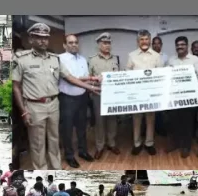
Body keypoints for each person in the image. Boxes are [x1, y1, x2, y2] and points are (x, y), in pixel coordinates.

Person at [12, 23, 100, 170]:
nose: (42, 41)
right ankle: (42, 172)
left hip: (53, 104)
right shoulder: (21, 59)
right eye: (38, 37)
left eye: (45, 38)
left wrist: (90, 86)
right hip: (34, 106)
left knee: (54, 139)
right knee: (38, 144)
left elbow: (70, 78)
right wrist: (24, 111)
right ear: (31, 39)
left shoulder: (55, 59)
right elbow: (16, 86)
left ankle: (57, 169)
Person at [59, 33, 97, 168]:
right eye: (70, 42)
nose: (74, 44)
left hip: (82, 98)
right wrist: (92, 82)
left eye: (76, 42)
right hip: (67, 99)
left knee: (82, 127)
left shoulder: (82, 59)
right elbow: (71, 78)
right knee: (67, 129)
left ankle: (83, 151)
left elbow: (84, 77)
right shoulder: (60, 59)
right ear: (64, 45)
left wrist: (93, 79)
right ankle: (69, 155)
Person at [166, 36, 198, 158]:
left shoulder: (195, 60)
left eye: (182, 44)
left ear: (187, 46)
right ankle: (176, 143)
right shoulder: (171, 60)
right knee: (175, 121)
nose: (180, 47)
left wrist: (197, 90)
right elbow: (167, 76)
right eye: (178, 45)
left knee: (188, 122)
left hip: (190, 97)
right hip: (175, 97)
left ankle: (186, 146)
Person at [126, 30, 164, 156]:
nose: (144, 42)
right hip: (136, 94)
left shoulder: (156, 56)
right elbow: (127, 73)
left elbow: (161, 75)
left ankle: (149, 143)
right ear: (138, 41)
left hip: (151, 95)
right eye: (141, 39)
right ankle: (137, 144)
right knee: (136, 119)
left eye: (146, 39)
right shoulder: (131, 55)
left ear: (150, 40)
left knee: (150, 119)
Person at [88, 32, 121, 159]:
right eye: (104, 43)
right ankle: (100, 146)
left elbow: (119, 76)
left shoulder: (115, 58)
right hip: (98, 94)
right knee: (99, 122)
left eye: (109, 43)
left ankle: (111, 143)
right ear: (99, 45)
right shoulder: (92, 60)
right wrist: (94, 84)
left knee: (112, 120)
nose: (107, 45)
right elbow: (89, 78)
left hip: (112, 95)